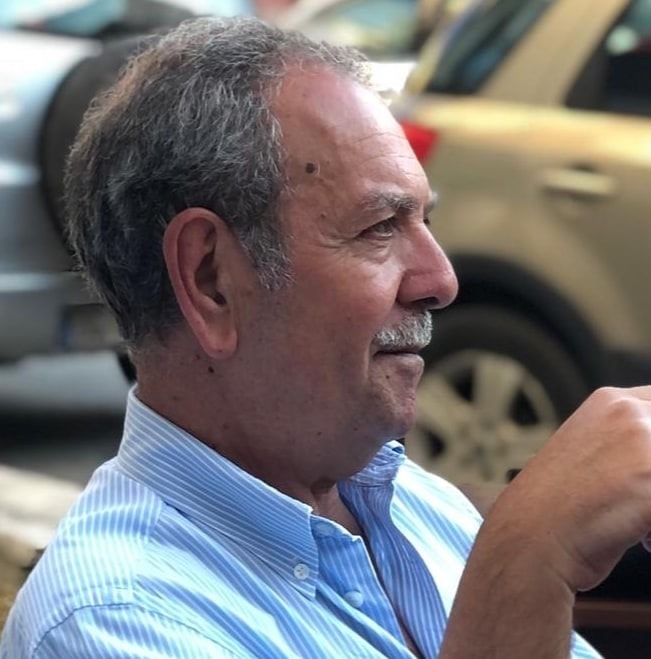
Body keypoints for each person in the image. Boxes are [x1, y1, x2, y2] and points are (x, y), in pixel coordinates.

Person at [2, 16, 650, 659]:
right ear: (211, 280)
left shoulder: (403, 499)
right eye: (378, 228)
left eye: (425, 222)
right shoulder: (116, 621)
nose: (440, 280)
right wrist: (525, 563)